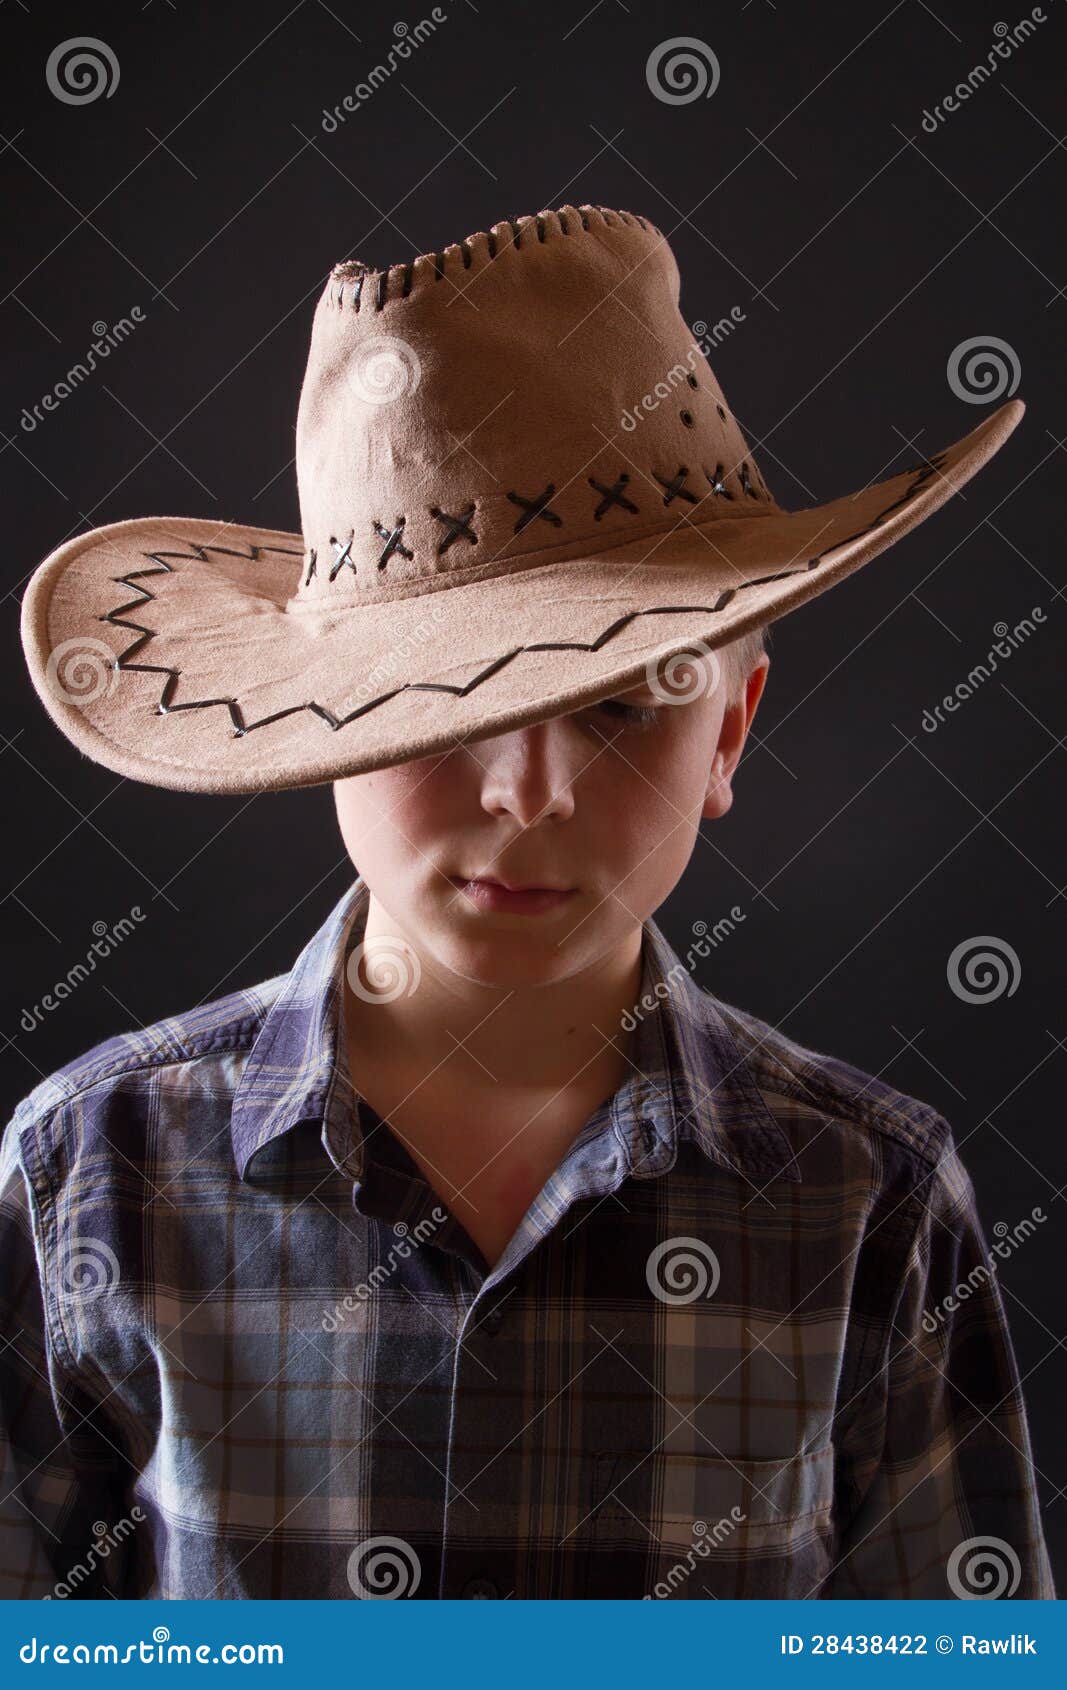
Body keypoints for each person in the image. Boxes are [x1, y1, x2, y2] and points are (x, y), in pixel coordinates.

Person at [4, 203, 1053, 1600]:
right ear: (331, 733)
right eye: (445, 709)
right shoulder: (95, 1170)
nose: (534, 792)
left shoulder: (872, 1201)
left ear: (728, 732)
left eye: (625, 704)